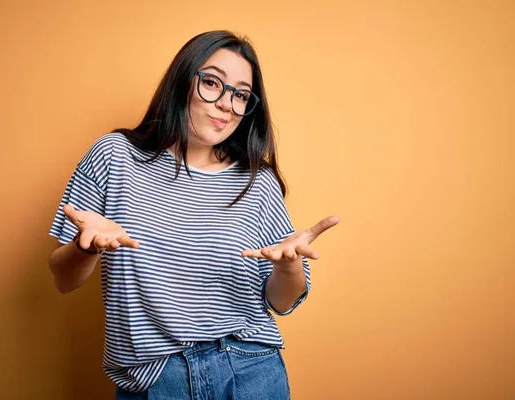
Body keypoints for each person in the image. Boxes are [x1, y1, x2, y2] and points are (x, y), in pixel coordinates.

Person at [48, 30, 339, 399]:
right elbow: (63, 278)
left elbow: (282, 302)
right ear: (182, 82)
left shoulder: (256, 181)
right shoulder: (115, 156)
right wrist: (87, 247)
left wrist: (287, 266)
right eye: (212, 83)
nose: (226, 104)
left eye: (241, 95)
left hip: (251, 369)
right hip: (157, 377)